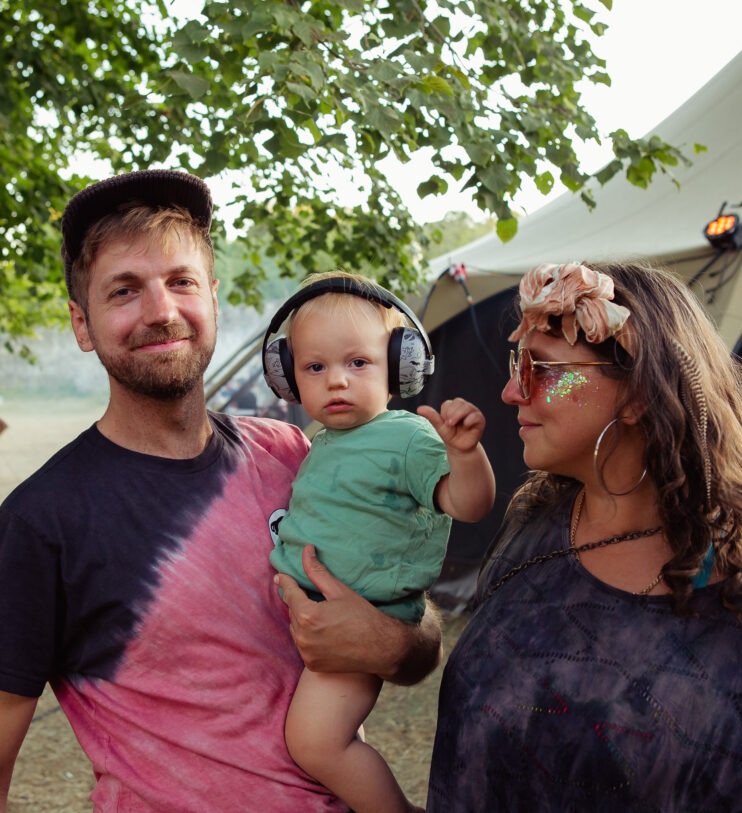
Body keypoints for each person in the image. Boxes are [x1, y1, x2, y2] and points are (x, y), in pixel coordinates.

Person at [0, 169, 442, 812]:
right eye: (124, 291)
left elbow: (415, 637)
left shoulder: (297, 457)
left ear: (211, 295)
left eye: (181, 282)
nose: (161, 311)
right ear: (82, 323)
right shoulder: (42, 522)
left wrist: (395, 640)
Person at [427, 261, 742, 811]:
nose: (512, 392)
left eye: (543, 367)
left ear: (638, 394)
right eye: (520, 362)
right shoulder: (535, 522)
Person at [266, 271, 495, 813]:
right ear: (289, 379)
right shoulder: (322, 442)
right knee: (323, 737)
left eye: (358, 363)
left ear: (401, 367)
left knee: (316, 743)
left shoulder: (407, 436)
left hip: (360, 620)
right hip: (316, 623)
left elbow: (469, 505)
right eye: (315, 367)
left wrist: (464, 455)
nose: (337, 381)